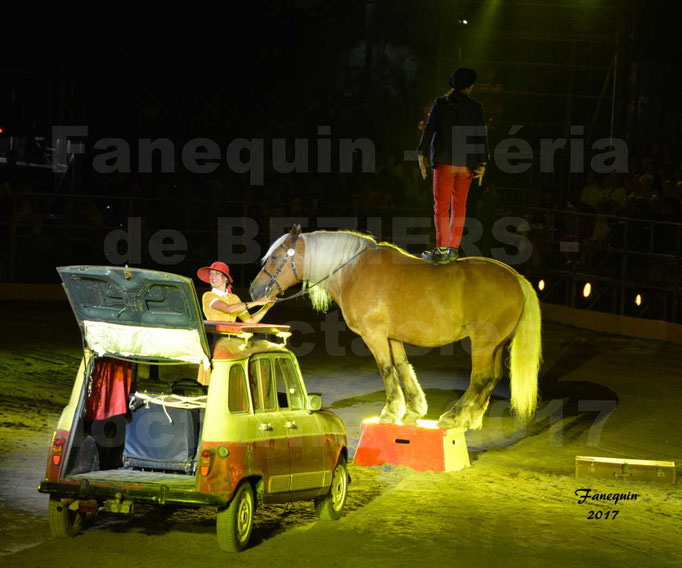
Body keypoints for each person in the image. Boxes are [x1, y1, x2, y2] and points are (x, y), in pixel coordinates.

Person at [417, 67, 488, 262]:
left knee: (441, 207)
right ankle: (453, 249)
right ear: (470, 87)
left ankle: (441, 250)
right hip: (466, 164)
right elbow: (480, 135)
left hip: (444, 162)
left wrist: (421, 153)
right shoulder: (475, 107)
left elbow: (428, 130)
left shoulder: (440, 104)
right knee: (459, 207)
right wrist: (483, 162)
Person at [197, 261, 272, 323]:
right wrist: (257, 302)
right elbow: (229, 309)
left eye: (217, 273)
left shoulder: (234, 298)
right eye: (210, 274)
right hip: (216, 338)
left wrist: (267, 306)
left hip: (231, 338)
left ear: (225, 277)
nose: (213, 276)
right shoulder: (208, 296)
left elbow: (251, 321)